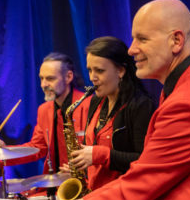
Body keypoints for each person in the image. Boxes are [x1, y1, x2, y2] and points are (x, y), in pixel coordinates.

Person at [9, 0, 190, 200]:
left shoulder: (187, 101)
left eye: (141, 39)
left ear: (176, 41)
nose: (132, 49)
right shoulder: (188, 87)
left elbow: (143, 180)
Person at [62, 36, 154, 191]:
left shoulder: (141, 105)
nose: (92, 78)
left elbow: (145, 161)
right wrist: (82, 165)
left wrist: (99, 154)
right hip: (95, 193)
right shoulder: (96, 101)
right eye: (90, 70)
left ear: (120, 71)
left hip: (123, 195)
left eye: (99, 71)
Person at [0, 52, 89, 174]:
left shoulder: (88, 105)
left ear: (68, 77)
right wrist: (3, 151)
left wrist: (84, 169)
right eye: (41, 78)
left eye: (50, 78)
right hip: (56, 182)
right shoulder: (44, 110)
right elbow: (37, 147)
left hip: (87, 181)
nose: (43, 84)